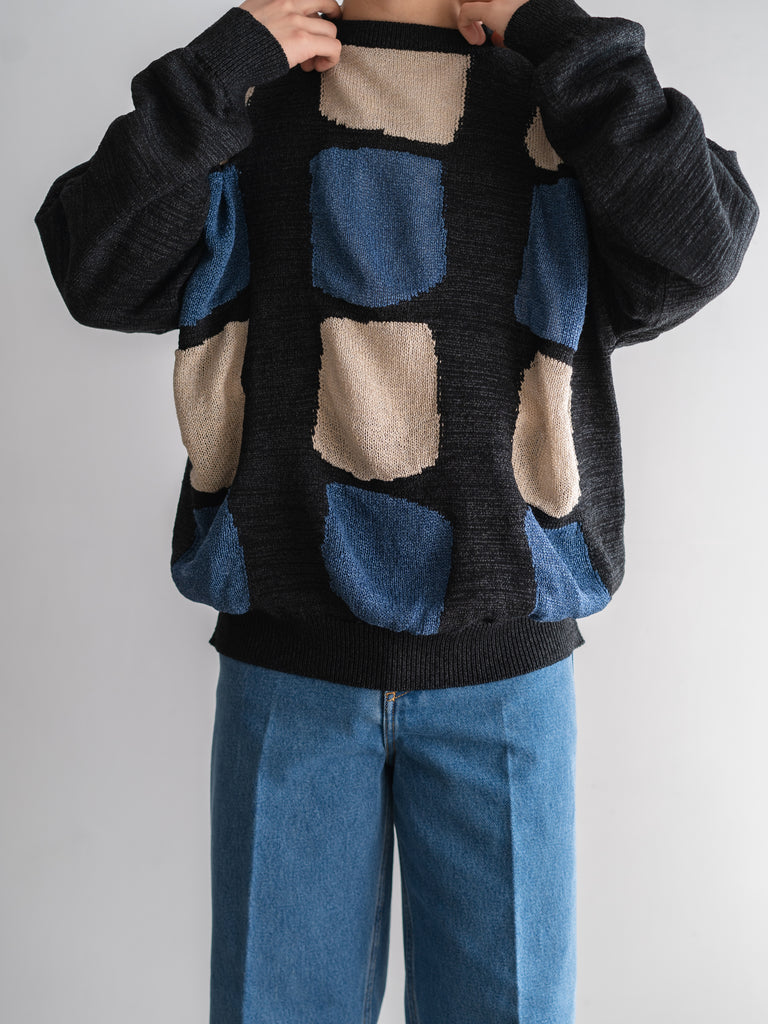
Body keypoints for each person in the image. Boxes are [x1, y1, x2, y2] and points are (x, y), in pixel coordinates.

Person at [33, 0, 759, 1020]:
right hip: (291, 674)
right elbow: (94, 265)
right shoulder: (251, 101)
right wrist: (222, 65)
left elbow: (705, 242)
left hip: (502, 679)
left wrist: (557, 36)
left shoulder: (556, 104)